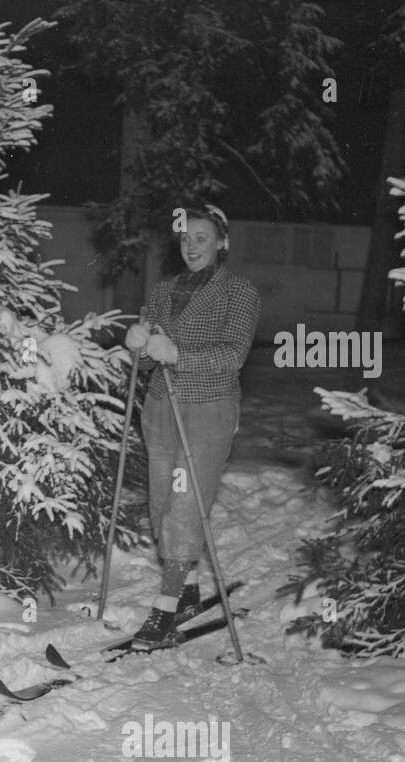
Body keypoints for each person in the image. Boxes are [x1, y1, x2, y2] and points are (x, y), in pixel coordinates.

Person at [123, 206, 260, 650]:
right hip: (162, 407)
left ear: (222, 243)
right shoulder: (164, 291)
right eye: (185, 238)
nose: (191, 246)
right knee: (162, 502)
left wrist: (176, 354)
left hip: (208, 409)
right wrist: (139, 346)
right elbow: (146, 362)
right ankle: (188, 589)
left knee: (185, 504)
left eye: (202, 238)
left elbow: (232, 354)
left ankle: (163, 613)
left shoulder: (240, 293)